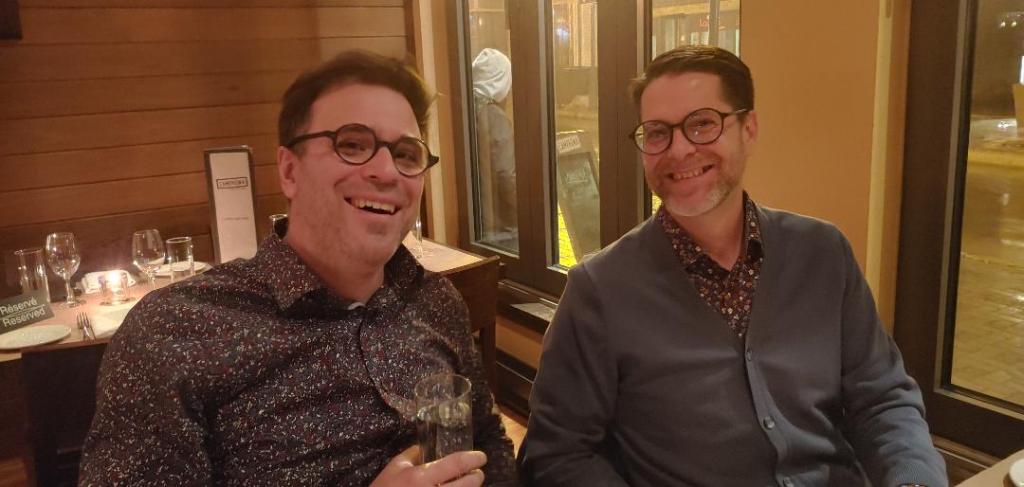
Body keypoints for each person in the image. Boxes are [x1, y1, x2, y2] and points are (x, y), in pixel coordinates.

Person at [80, 50, 517, 486]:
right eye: (352, 144)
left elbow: (487, 439)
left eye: (406, 154)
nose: (387, 171)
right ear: (289, 171)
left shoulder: (435, 300)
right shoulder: (173, 332)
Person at [517, 46, 947, 486]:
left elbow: (882, 399)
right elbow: (556, 454)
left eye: (703, 123)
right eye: (658, 132)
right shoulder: (601, 289)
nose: (680, 149)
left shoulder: (823, 253)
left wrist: (913, 480)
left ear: (749, 129)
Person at [472, 48, 518, 248]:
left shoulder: (467, 107)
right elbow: (506, 174)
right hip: (500, 229)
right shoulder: (493, 116)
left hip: (477, 221)